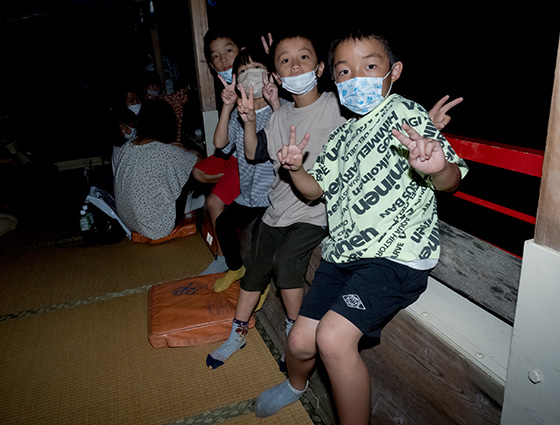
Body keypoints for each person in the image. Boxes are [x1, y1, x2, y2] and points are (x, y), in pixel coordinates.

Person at [206, 30, 462, 373]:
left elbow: (381, 122)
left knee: (286, 266)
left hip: (320, 218)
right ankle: (241, 330)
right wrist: (251, 120)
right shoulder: (282, 117)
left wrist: (425, 129)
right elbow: (252, 153)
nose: (296, 67)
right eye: (285, 62)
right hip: (281, 208)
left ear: (320, 68)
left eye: (304, 58)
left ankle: (292, 330)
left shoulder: (337, 106)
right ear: (277, 76)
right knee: (255, 265)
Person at [209, 45, 286, 292]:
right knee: (223, 224)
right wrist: (228, 107)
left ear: (270, 74)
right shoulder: (238, 113)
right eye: (243, 70)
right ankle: (235, 268)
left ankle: (259, 285)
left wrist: (274, 103)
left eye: (256, 68)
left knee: (260, 240)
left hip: (273, 195)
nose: (249, 73)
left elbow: (286, 135)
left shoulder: (281, 106)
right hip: (248, 194)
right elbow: (220, 144)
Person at [194, 27, 246, 275]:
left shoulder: (256, 80)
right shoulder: (226, 86)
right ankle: (223, 256)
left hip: (252, 160)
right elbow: (221, 144)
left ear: (242, 52)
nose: (224, 59)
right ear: (212, 66)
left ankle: (224, 257)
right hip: (233, 155)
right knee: (198, 172)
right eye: (215, 56)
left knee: (213, 201)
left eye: (229, 51)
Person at [113, 100, 201, 240]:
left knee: (168, 173)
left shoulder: (127, 146)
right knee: (189, 169)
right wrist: (187, 149)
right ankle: (193, 205)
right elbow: (200, 163)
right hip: (156, 226)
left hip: (128, 221)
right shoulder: (164, 151)